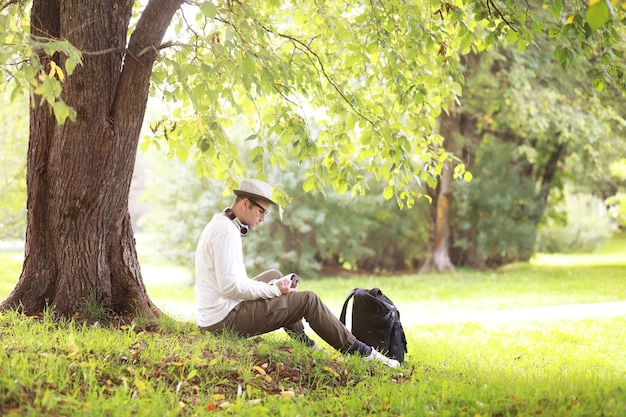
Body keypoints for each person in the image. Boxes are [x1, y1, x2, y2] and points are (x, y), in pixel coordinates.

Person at [194, 178, 400, 368]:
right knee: (308, 300)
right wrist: (274, 290)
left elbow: (232, 283)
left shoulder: (222, 223)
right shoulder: (226, 232)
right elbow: (229, 286)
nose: (263, 218)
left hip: (216, 314)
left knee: (273, 274)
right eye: (261, 212)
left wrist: (273, 286)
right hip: (222, 322)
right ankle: (362, 353)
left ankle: (304, 343)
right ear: (245, 203)